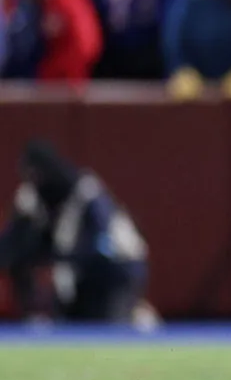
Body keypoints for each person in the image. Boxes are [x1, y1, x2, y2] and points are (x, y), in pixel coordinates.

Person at [0, 141, 154, 328]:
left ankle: (136, 315)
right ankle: (39, 316)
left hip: (116, 269)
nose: (35, 179)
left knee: (107, 330)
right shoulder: (32, 198)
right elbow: (12, 242)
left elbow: (103, 242)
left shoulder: (86, 192)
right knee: (73, 323)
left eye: (38, 174)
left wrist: (61, 260)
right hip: (77, 272)